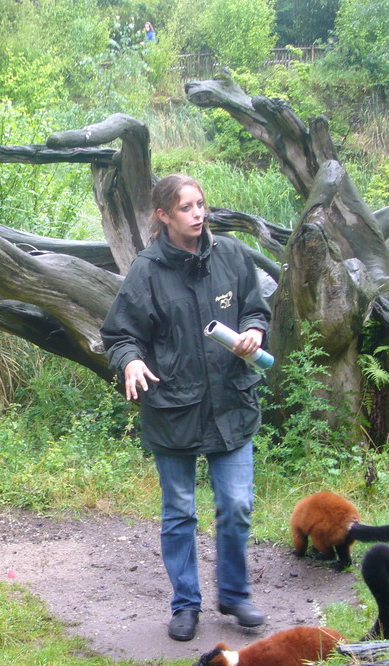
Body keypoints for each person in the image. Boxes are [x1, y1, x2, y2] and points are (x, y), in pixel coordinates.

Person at [100, 174, 271, 642]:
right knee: (179, 512)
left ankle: (234, 595)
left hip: (232, 403)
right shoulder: (147, 270)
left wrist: (255, 330)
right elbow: (119, 335)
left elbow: (257, 309)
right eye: (186, 208)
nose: (198, 214)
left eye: (201, 205)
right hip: (173, 408)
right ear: (163, 216)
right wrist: (131, 360)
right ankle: (185, 604)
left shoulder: (232, 256)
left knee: (235, 505)